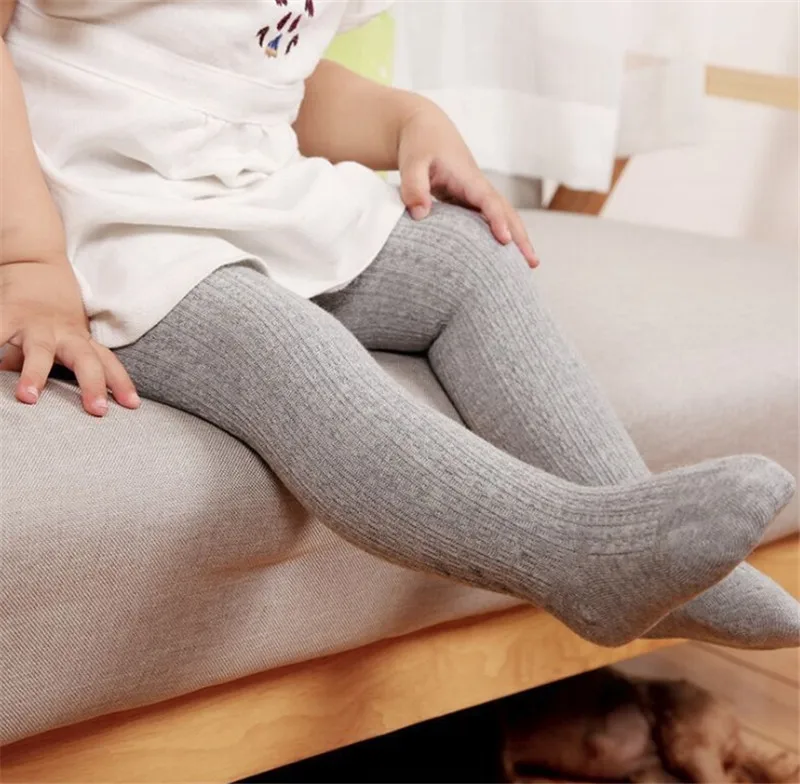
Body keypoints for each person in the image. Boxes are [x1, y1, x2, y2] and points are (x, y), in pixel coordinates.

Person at [1, 0, 797, 649]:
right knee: (282, 343)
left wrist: (405, 119)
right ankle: (576, 554)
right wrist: (28, 260)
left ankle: (642, 537)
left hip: (240, 192)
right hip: (86, 216)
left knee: (465, 253)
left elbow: (256, 75)